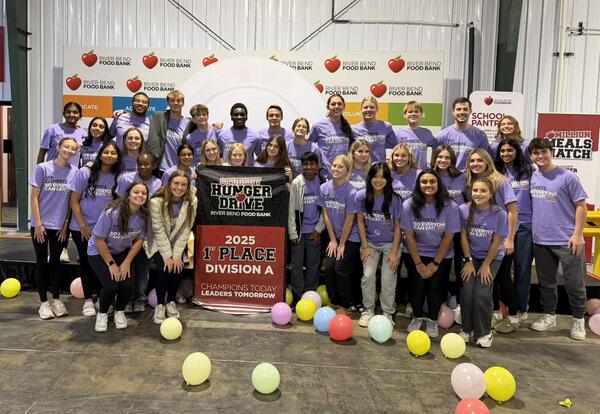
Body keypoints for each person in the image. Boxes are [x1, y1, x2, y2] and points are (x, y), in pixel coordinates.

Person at [528, 138, 588, 340]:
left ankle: (578, 320)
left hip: (567, 240)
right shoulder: (534, 177)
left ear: (551, 152)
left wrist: (578, 234)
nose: (540, 156)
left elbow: (581, 206)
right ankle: (549, 315)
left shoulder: (567, 177)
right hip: (541, 239)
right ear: (531, 156)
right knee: (546, 283)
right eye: (536, 153)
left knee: (575, 283)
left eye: (544, 152)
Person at [402, 169, 460, 338]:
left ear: (438, 184)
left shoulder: (450, 206)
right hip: (415, 254)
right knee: (417, 285)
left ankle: (433, 321)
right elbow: (410, 236)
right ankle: (417, 317)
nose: (428, 185)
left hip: (441, 255)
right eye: (424, 182)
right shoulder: (409, 205)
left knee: (435, 287)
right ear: (418, 185)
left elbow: (449, 237)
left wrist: (435, 263)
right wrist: (419, 263)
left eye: (432, 181)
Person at [465, 149, 519, 330]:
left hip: (501, 238)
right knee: (489, 280)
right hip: (482, 239)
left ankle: (513, 315)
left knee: (503, 276)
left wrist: (509, 238)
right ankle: (495, 312)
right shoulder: (472, 182)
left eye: (479, 160)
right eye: (472, 161)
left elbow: (512, 211)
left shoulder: (501, 181)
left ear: (487, 161)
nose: (475, 164)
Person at [88, 183, 148, 332]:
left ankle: (119, 312)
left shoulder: (143, 216)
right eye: (136, 192)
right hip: (99, 251)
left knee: (128, 284)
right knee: (111, 285)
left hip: (121, 251)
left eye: (143, 193)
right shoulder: (111, 213)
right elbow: (99, 240)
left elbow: (139, 240)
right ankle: (102, 314)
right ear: (128, 194)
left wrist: (127, 261)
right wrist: (111, 264)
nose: (140, 195)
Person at [69, 142, 121, 317]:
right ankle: (88, 300)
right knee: (86, 263)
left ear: (118, 157)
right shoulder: (85, 172)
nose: (109, 155)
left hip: (104, 230)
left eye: (113, 153)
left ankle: (101, 297)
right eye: (106, 152)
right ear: (100, 154)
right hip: (82, 228)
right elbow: (74, 201)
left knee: (102, 264)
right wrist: (83, 225)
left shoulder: (117, 177)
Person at [30, 137, 79, 319]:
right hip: (40, 225)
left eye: (72, 148)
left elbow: (70, 202)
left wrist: (66, 224)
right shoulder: (43, 168)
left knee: (56, 263)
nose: (68, 150)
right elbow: (34, 197)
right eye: (66, 146)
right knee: (42, 263)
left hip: (60, 227)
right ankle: (43, 303)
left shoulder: (75, 172)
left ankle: (56, 300)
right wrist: (38, 223)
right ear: (58, 148)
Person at [459, 177, 508, 348]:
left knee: (482, 293)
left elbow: (496, 242)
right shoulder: (463, 210)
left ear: (491, 194)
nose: (478, 194)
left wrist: (486, 265)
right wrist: (468, 260)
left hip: (491, 258)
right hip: (471, 257)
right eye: (475, 190)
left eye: (483, 191)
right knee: (467, 291)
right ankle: (466, 329)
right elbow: (463, 236)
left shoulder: (500, 214)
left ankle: (484, 332)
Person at [146, 170, 198, 323]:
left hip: (178, 242)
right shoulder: (156, 202)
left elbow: (186, 229)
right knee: (164, 267)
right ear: (169, 184)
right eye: (176, 183)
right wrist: (168, 257)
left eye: (184, 184)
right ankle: (160, 304)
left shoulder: (192, 201)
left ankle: (171, 302)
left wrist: (176, 256)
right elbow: (158, 231)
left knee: (177, 266)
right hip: (156, 242)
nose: (179, 188)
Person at [494, 139, 534, 330]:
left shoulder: (528, 171)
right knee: (503, 271)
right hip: (504, 226)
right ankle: (507, 309)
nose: (506, 153)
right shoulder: (496, 173)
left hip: (525, 224)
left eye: (510, 150)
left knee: (522, 268)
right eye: (502, 150)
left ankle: (520, 308)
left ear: (517, 151)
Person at [356, 162, 402, 327]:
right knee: (368, 276)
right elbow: (360, 222)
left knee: (388, 278)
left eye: (382, 177)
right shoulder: (361, 196)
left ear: (388, 179)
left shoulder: (395, 199)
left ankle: (387, 313)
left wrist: (394, 252)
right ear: (370, 178)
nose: (378, 180)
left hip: (391, 243)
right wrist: (365, 246)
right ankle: (368, 310)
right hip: (370, 243)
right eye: (375, 176)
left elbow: (398, 227)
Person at [318, 155, 362, 313]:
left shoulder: (351, 192)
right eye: (334, 166)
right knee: (329, 267)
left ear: (347, 171)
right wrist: (333, 240)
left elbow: (350, 221)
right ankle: (334, 301)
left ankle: (345, 305)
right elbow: (326, 215)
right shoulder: (324, 188)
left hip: (351, 237)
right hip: (334, 237)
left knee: (340, 268)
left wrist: (342, 243)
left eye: (340, 167)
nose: (336, 169)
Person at [431, 145, 468, 313]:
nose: (443, 160)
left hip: (459, 230)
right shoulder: (430, 176)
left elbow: (470, 201)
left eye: (447, 157)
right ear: (435, 158)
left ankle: (461, 304)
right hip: (437, 230)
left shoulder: (462, 178)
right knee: (441, 268)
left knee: (461, 267)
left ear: (452, 160)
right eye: (440, 157)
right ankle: (439, 302)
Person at [288, 152, 324, 305]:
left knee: (313, 264)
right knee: (296, 265)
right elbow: (291, 209)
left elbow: (325, 210)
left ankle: (310, 296)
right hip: (299, 231)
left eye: (312, 164)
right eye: (306, 164)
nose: (309, 167)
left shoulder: (322, 182)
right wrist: (293, 232)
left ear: (317, 166)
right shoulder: (297, 182)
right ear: (302, 166)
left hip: (314, 232)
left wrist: (318, 229)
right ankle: (297, 296)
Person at [436, 97, 489, 171]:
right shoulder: (443, 135)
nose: (462, 112)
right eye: (458, 109)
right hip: (447, 179)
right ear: (453, 112)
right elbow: (437, 161)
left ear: (470, 111)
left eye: (465, 109)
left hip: (471, 179)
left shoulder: (480, 135)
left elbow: (485, 161)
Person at [309, 94, 354, 178]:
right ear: (328, 107)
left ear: (344, 106)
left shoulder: (348, 127)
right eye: (333, 104)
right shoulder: (318, 126)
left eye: (339, 104)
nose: (336, 106)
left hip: (344, 174)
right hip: (325, 175)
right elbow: (309, 147)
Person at [146, 90, 192, 172]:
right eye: (172, 100)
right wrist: (124, 113)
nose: (175, 103)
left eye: (178, 101)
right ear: (167, 103)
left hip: (180, 169)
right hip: (160, 169)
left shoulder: (189, 122)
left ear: (183, 103)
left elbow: (203, 128)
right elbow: (142, 120)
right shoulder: (158, 117)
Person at [389, 101, 438, 169]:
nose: (413, 114)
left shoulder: (427, 133)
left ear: (421, 114)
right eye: (410, 112)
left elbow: (437, 148)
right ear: (405, 115)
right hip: (403, 172)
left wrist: (433, 165)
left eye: (416, 111)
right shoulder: (397, 133)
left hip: (421, 173)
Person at [37, 102, 87, 168]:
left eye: (75, 112)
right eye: (68, 112)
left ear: (80, 115)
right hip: (52, 174)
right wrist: (40, 172)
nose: (71, 115)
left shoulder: (83, 134)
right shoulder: (52, 129)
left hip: (72, 176)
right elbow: (41, 153)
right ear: (64, 114)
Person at [351, 96, 394, 163]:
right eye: (365, 107)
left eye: (372, 107)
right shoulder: (353, 129)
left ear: (377, 109)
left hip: (379, 169)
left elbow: (394, 149)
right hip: (361, 169)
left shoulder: (386, 126)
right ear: (361, 109)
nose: (368, 109)